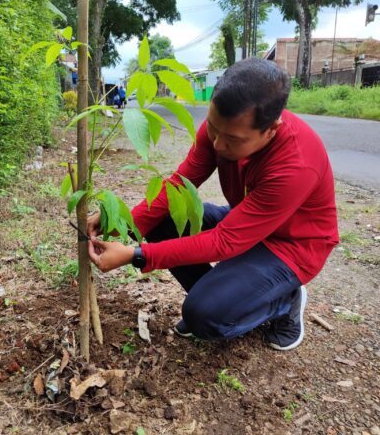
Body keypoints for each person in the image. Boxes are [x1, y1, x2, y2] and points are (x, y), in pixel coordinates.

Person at [87, 58, 339, 351]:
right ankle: (227, 298)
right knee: (164, 220)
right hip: (244, 220)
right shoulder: (222, 129)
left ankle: (283, 302)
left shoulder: (295, 165)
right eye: (213, 128)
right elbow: (181, 184)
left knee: (205, 317)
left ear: (271, 130)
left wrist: (137, 255)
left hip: (291, 245)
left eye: (232, 139)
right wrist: (123, 223)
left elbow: (227, 240)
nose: (217, 144)